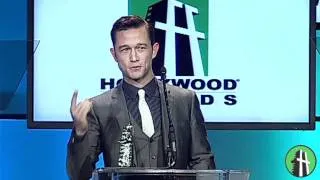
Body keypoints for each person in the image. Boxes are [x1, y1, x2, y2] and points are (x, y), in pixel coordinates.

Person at [67, 15, 215, 180]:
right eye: (125, 49)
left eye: (141, 48)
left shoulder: (185, 100)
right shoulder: (99, 107)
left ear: (154, 50)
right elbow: (79, 174)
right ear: (114, 54)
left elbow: (203, 162)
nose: (134, 57)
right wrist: (80, 134)